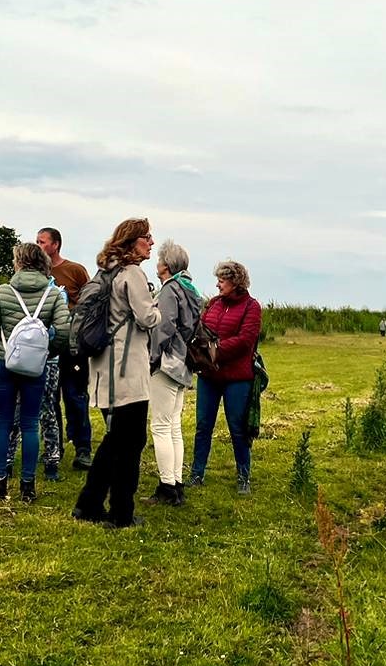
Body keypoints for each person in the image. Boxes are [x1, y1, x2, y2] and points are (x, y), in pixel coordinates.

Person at [73, 219, 160, 528]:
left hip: (103, 368)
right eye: (146, 237)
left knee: (115, 439)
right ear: (132, 241)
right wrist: (158, 306)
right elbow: (147, 317)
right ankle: (121, 512)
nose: (151, 242)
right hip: (127, 370)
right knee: (131, 443)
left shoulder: (106, 271)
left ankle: (89, 502)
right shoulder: (132, 274)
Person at [0, 242, 71, 502]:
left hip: (6, 362)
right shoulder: (53, 294)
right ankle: (28, 485)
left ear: (19, 262)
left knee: (2, 421)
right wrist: (48, 352)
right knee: (31, 424)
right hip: (36, 366)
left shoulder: (3, 291)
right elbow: (64, 331)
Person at [190, 258, 262, 494]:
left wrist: (214, 350)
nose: (218, 285)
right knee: (203, 426)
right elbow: (201, 329)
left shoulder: (252, 307)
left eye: (222, 280)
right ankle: (197, 474)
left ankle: (244, 477)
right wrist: (203, 349)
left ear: (235, 281)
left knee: (237, 428)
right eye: (218, 280)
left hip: (237, 379)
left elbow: (245, 341)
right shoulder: (214, 304)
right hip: (210, 376)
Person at [148, 239, 202, 505]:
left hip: (167, 363)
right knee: (174, 426)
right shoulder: (189, 289)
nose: (156, 263)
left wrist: (152, 357)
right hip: (183, 364)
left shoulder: (170, 289)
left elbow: (164, 327)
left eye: (159, 259)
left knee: (160, 426)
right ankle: (176, 482)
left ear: (166, 265)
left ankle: (167, 487)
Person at [37, 226, 94, 471]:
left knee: (75, 396)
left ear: (55, 244)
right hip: (48, 347)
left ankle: (83, 449)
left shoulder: (74, 270)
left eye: (42, 242)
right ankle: (54, 447)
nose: (38, 245)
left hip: (73, 346)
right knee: (50, 400)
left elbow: (91, 301)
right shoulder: (38, 274)